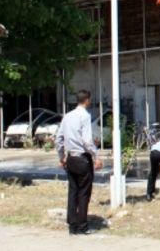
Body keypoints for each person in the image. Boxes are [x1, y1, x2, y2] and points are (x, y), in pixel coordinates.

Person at [55, 89, 103, 235]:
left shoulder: (67, 116)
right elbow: (87, 140)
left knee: (73, 192)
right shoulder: (85, 116)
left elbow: (58, 139)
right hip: (83, 159)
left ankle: (72, 226)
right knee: (84, 193)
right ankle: (83, 226)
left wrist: (61, 157)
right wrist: (96, 156)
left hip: (71, 159)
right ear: (87, 100)